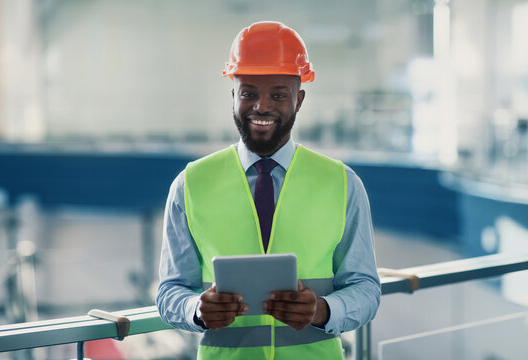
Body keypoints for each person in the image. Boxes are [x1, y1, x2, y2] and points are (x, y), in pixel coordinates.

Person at [156, 21, 380, 360]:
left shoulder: (343, 183)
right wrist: (195, 310)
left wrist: (323, 310)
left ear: (299, 99)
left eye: (278, 94)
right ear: (233, 95)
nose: (261, 107)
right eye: (248, 93)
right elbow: (170, 291)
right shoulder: (190, 184)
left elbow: (366, 288)